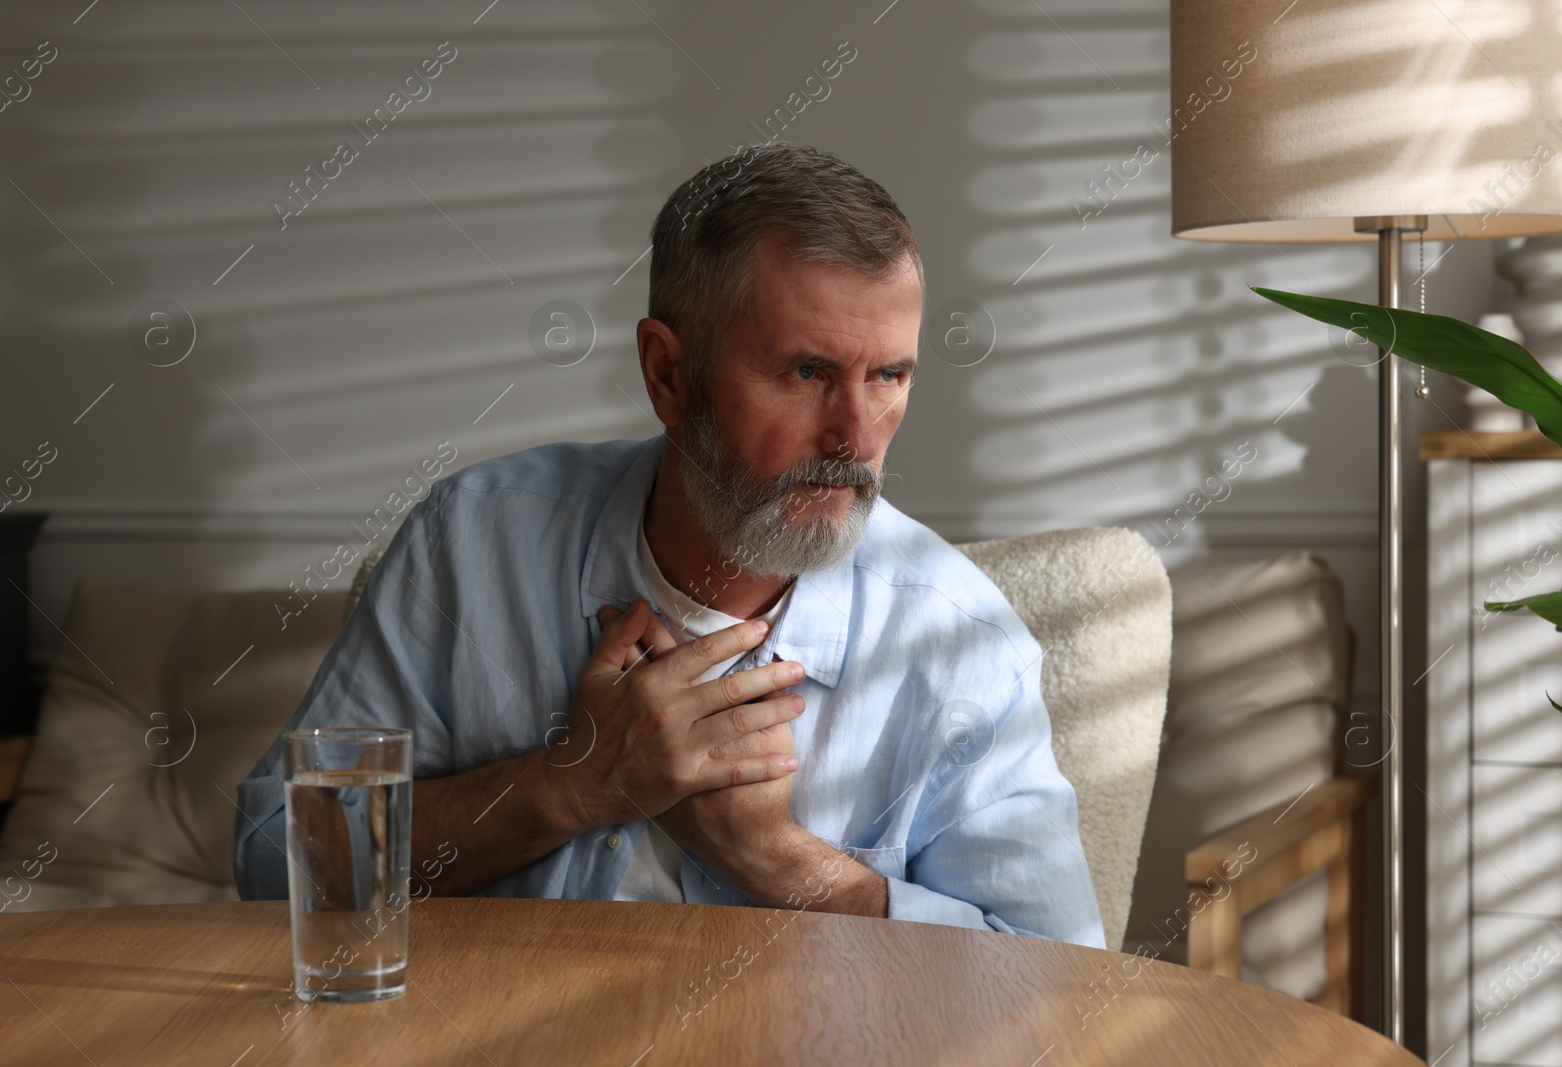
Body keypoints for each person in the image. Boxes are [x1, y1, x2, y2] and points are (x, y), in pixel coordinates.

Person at [234, 140, 1104, 945]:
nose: (856, 435)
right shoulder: (471, 542)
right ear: (667, 373)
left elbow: (1064, 988)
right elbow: (275, 860)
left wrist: (774, 857)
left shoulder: (965, 647)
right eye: (807, 373)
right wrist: (568, 785)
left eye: (889, 375)